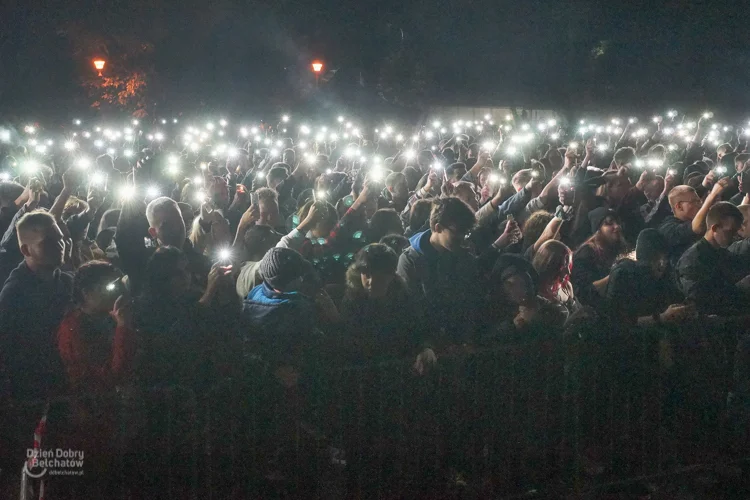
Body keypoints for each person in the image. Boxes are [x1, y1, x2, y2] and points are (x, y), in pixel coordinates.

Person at [0, 210, 70, 399]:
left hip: (60, 386)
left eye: (60, 239)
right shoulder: (14, 294)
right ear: (25, 250)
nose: (60, 246)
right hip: (28, 392)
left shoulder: (67, 283)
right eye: (48, 242)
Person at [397, 197, 479, 345]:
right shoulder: (410, 260)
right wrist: (425, 345)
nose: (463, 238)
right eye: (458, 232)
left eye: (466, 233)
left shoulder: (463, 254)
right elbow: (410, 309)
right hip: (429, 346)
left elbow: (469, 298)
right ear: (437, 227)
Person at [57, 261, 135, 392]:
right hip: (93, 405)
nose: (116, 293)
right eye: (108, 288)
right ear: (86, 293)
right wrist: (123, 328)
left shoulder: (110, 317)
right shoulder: (74, 329)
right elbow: (113, 376)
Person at [340, 244, 426, 362]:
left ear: (391, 276)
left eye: (379, 277)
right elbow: (351, 341)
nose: (371, 282)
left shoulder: (403, 296)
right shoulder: (353, 299)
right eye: (367, 275)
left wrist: (425, 348)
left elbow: (417, 330)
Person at [677, 202, 750, 315]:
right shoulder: (692, 261)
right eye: (731, 231)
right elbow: (702, 301)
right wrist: (740, 288)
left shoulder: (721, 252)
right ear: (715, 228)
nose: (736, 236)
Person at [606, 229, 687, 326]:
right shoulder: (625, 275)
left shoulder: (661, 276)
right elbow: (618, 323)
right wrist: (662, 317)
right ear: (661, 261)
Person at [658, 180, 728, 266]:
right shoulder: (668, 227)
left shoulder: (700, 221)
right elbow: (696, 228)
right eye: (695, 201)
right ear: (679, 206)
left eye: (699, 201)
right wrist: (711, 197)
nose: (699, 205)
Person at [571, 207, 627, 307]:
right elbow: (584, 292)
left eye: (617, 222)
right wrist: (616, 274)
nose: (617, 226)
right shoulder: (586, 254)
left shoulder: (617, 248)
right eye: (609, 223)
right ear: (598, 230)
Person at [532, 240, 582, 321]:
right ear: (549, 265)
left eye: (568, 265)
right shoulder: (534, 294)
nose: (568, 271)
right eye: (563, 265)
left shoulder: (566, 287)